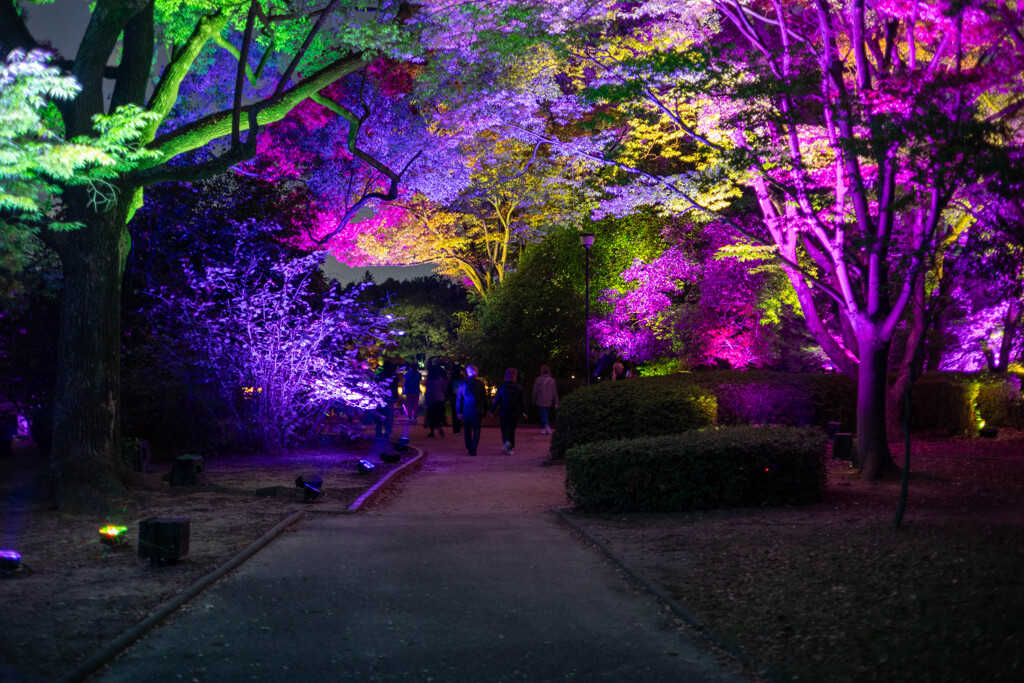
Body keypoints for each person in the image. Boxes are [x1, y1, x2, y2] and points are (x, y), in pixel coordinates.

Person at [491, 367, 527, 455]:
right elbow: (522, 401)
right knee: (512, 430)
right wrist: (524, 411)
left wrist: (492, 410)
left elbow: (498, 399)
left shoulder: (502, 387)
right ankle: (510, 447)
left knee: (504, 429)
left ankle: (506, 442)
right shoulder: (518, 387)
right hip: (515, 411)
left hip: (504, 411)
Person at [455, 365, 488, 456]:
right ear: (474, 372)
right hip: (476, 409)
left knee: (467, 429)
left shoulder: (463, 384)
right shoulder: (480, 384)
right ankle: (473, 448)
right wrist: (485, 409)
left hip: (466, 410)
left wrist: (458, 411)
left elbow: (459, 398)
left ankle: (469, 447)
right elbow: (484, 398)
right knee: (477, 429)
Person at [531, 365, 559, 435]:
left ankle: (547, 426)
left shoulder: (538, 380)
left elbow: (535, 391)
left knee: (543, 415)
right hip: (549, 400)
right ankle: (543, 428)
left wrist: (533, 399)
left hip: (541, 400)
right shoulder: (552, 380)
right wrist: (556, 401)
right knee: (545, 414)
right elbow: (555, 392)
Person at [424, 364, 448, 437]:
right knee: (439, 414)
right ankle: (440, 426)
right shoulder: (440, 379)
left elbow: (427, 391)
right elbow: (445, 388)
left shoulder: (428, 380)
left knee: (431, 415)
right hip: (440, 399)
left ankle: (432, 431)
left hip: (432, 399)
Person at [447, 364, 464, 436]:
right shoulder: (462, 378)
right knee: (462, 412)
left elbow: (449, 388)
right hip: (462, 397)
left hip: (454, 397)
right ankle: (462, 428)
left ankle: (456, 430)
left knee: (455, 414)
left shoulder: (451, 379)